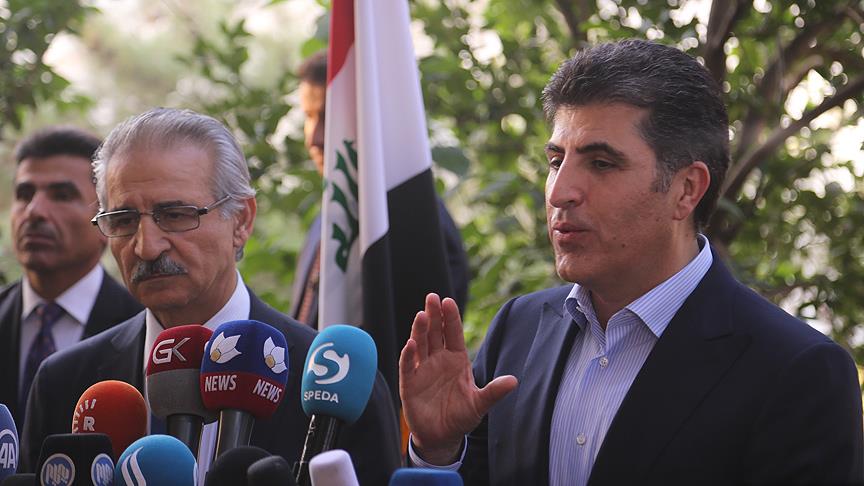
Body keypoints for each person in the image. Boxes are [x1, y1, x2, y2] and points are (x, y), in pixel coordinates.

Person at [399, 39, 864, 485]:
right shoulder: (518, 329)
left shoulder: (797, 372)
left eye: (601, 163)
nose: (560, 192)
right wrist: (438, 452)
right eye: (556, 161)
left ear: (686, 190)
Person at [20, 108, 402, 483]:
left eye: (175, 215)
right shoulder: (64, 383)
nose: (146, 247)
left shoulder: (330, 381)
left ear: (241, 221)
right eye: (123, 220)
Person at [290, 51, 470, 326]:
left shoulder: (419, 220)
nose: (314, 138)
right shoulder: (325, 220)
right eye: (309, 116)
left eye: (328, 117)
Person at [0, 127, 142, 431]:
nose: (34, 211)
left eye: (62, 196)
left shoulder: (143, 328)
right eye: (24, 194)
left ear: (105, 220)